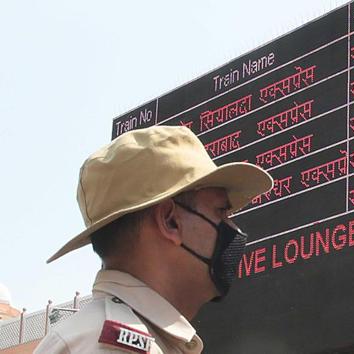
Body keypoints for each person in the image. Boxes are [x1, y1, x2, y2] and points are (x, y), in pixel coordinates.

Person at [34, 126, 273, 353]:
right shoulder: (108, 346)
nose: (233, 227)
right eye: (221, 212)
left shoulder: (114, 338)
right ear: (170, 221)